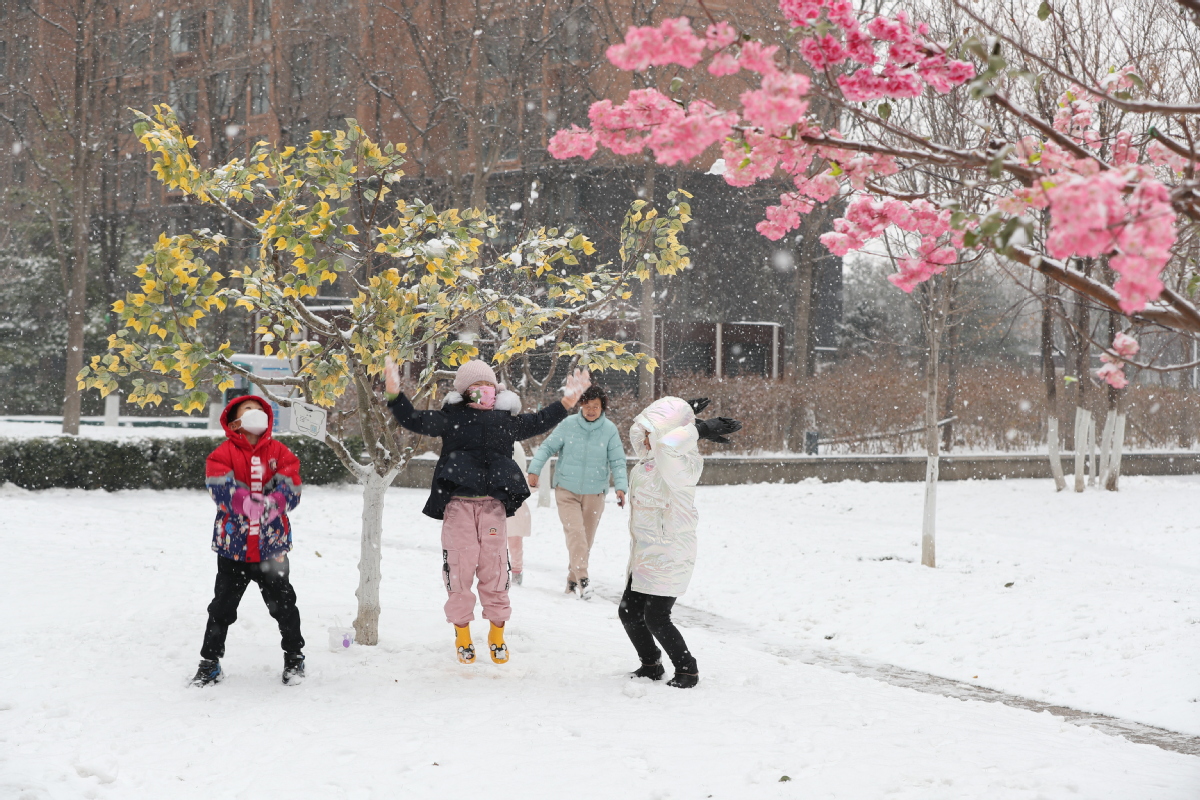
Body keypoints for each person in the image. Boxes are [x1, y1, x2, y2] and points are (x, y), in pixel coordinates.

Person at [384, 357, 591, 665]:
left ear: (497, 392)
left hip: (493, 508)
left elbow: (539, 421)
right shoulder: (450, 418)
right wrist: (393, 394)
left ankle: (496, 635)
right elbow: (413, 419)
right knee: (459, 569)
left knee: (494, 571)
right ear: (464, 393)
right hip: (459, 509)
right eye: (476, 389)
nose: (484, 394)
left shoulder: (505, 421)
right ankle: (463, 636)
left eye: (489, 389)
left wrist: (567, 402)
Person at [620, 396, 741, 689]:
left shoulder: (682, 465)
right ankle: (650, 664)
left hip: (671, 552)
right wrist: (681, 413)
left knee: (657, 617)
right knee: (629, 612)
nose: (647, 439)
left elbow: (668, 447)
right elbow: (661, 444)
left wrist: (697, 428)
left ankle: (688, 669)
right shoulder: (645, 465)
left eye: (653, 431)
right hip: (645, 553)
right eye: (645, 433)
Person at [191, 395, 305, 687]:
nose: (256, 414)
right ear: (235, 422)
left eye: (260, 410)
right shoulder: (222, 454)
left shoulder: (279, 451)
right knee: (222, 608)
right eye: (248, 410)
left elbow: (291, 484)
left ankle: (294, 657)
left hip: (272, 549)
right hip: (234, 550)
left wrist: (273, 503)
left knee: (284, 605)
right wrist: (245, 502)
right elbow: (220, 487)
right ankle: (210, 662)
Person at [527, 385, 628, 600]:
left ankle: (572, 581)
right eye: (587, 405)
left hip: (595, 493)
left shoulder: (609, 430)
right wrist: (534, 470)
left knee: (585, 541)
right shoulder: (568, 425)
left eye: (596, 406)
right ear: (581, 405)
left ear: (602, 408)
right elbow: (546, 447)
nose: (591, 410)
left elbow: (618, 461)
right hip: (567, 490)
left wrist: (620, 487)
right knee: (576, 534)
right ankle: (583, 579)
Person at [507, 441, 533, 586]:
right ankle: (497, 571)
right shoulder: (492, 473)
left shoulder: (521, 476)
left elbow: (533, 486)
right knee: (493, 546)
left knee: (515, 547)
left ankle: (516, 573)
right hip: (496, 520)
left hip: (515, 519)